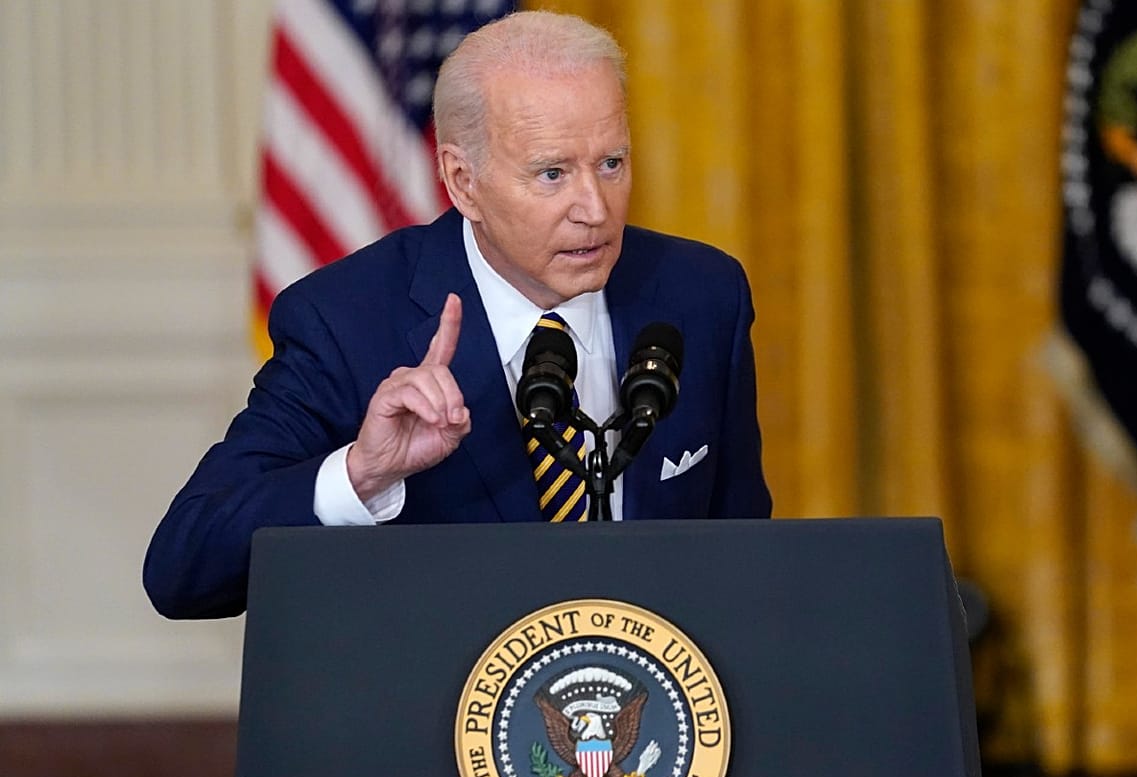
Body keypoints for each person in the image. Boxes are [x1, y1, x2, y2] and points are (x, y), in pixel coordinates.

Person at [143, 11, 772, 620]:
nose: (595, 208)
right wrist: (361, 474)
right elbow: (182, 568)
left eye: (611, 163)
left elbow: (742, 557)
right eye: (552, 173)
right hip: (441, 716)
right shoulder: (347, 323)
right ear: (462, 181)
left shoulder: (701, 295)